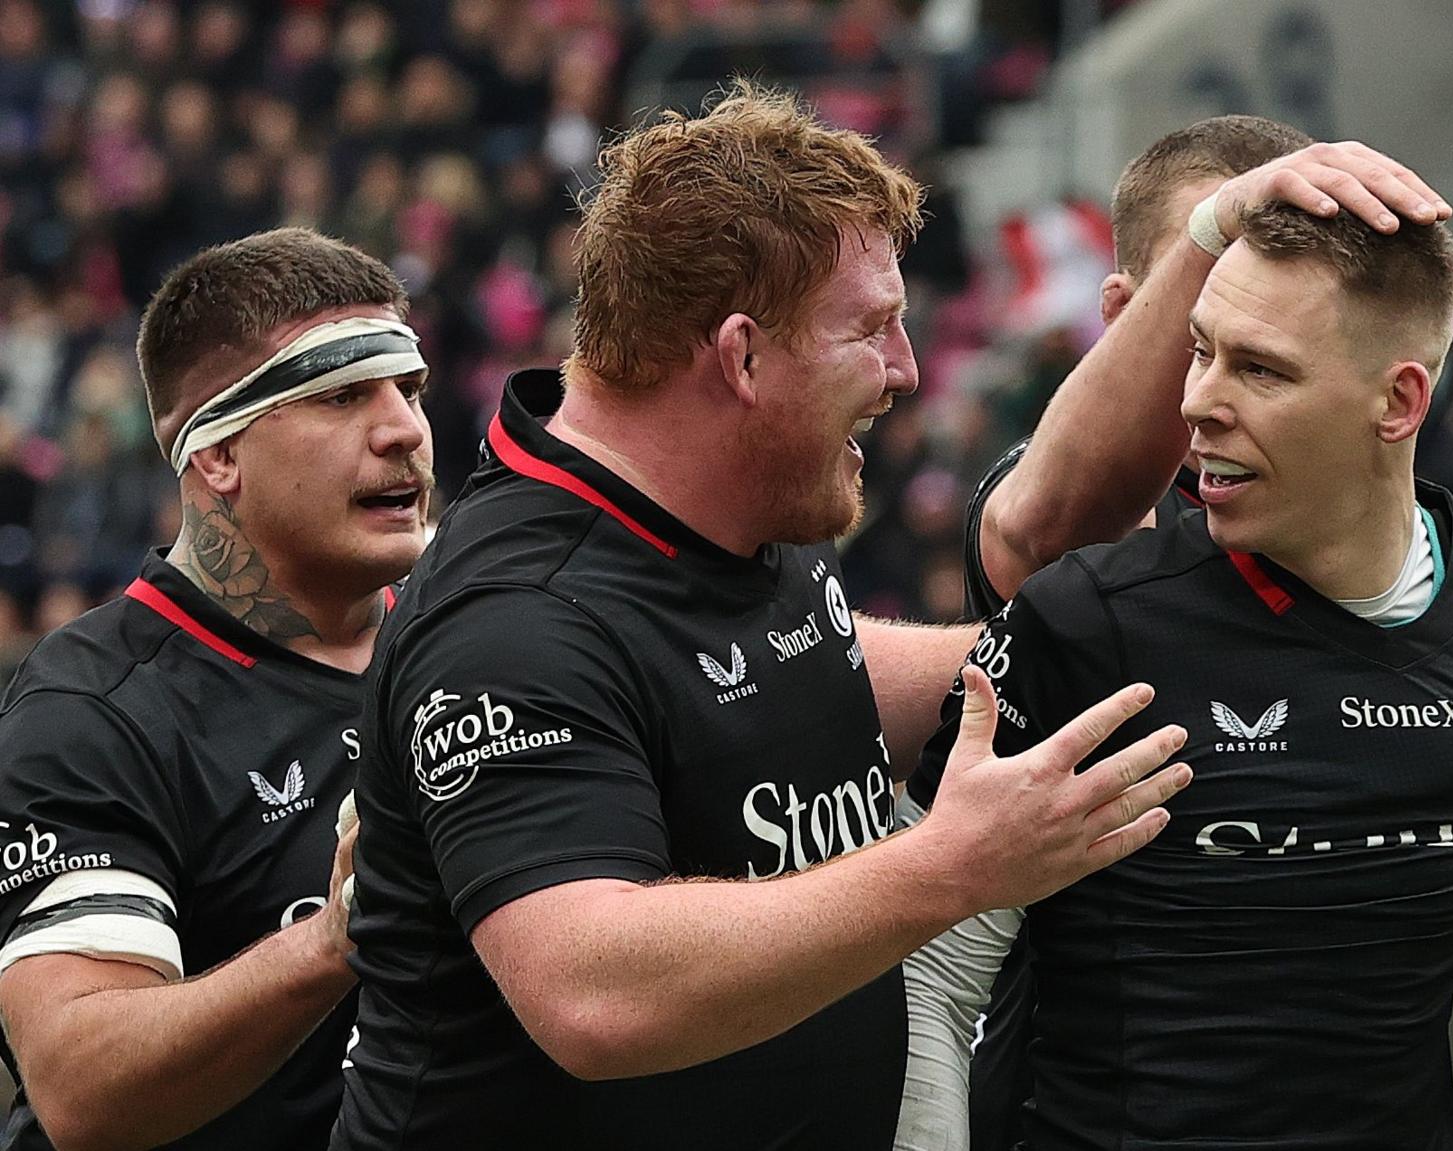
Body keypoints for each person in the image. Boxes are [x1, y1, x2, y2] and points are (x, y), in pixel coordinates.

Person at [331, 84, 1245, 1151]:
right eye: (872, 329)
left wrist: (1065, 655)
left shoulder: (732, 500)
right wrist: (951, 864)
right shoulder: (515, 618)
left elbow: (788, 671)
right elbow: (589, 991)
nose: (905, 370)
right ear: (742, 356)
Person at [894, 203, 1453, 1150]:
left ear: (1399, 402)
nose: (1198, 401)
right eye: (1202, 352)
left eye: (1259, 369)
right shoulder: (1087, 622)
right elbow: (927, 974)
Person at [961, 115, 1453, 1151]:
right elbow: (1032, 529)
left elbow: (1415, 1021)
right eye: (1197, 326)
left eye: (1260, 355)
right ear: (1136, 317)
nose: (1201, 395)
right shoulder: (1086, 586)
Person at [0, 227, 432, 1150]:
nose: (404, 428)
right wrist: (338, 936)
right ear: (218, 458)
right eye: (343, 393)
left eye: (409, 388)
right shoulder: (94, 710)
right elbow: (81, 1086)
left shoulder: (470, 630)